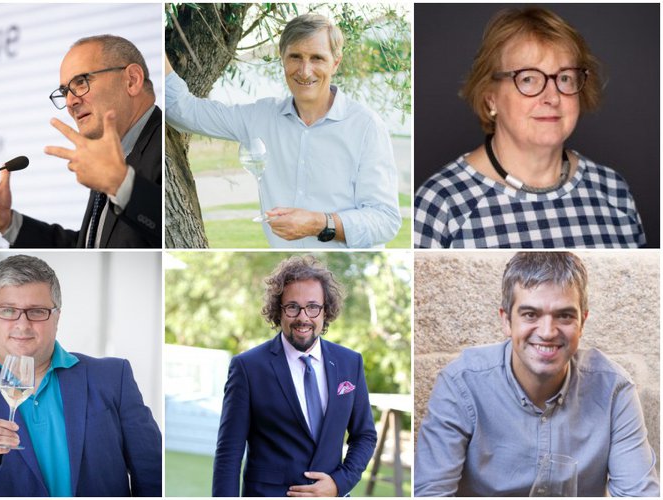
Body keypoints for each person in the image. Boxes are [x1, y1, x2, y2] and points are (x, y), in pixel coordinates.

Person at [414, 252, 659, 496]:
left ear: (582, 322)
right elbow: (431, 492)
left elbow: (639, 494)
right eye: (530, 314)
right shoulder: (460, 385)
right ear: (507, 321)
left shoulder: (614, 390)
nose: (547, 332)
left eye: (564, 315)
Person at [0, 255, 162, 496]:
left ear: (56, 318)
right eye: (8, 311)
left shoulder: (113, 377)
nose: (23, 325)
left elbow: (153, 474)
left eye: (37, 311)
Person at [413, 7, 645, 248]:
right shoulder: (441, 204)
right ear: (491, 96)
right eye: (528, 79)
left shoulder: (613, 190)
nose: (552, 97)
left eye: (564, 78)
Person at [165, 13, 401, 248]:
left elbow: (385, 220)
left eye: (317, 58)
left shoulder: (366, 127)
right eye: (295, 57)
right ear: (282, 58)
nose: (305, 71)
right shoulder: (260, 117)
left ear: (335, 63)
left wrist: (318, 223)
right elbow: (183, 110)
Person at [0, 35, 162, 248]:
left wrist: (120, 183)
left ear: (132, 80)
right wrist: (10, 224)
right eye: (64, 92)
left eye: (81, 82)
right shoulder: (112, 155)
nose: (71, 101)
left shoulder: (164, 144)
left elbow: (171, 230)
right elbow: (91, 246)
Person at [212, 256, 377, 496]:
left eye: (313, 307)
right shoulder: (247, 367)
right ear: (277, 310)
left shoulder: (350, 363)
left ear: (325, 310)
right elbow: (229, 452)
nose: (303, 317)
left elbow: (364, 435)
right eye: (292, 307)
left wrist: (339, 483)